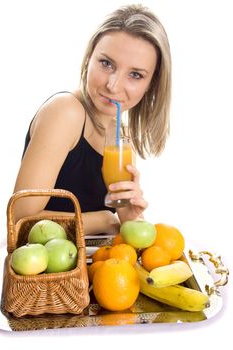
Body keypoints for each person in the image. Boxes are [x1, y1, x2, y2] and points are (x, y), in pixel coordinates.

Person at [13, 4, 171, 235]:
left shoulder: (120, 137)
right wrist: (106, 219)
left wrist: (128, 214)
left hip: (92, 270)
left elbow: (122, 236)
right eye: (106, 64)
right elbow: (20, 222)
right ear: (89, 58)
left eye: (135, 75)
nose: (113, 85)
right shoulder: (65, 112)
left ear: (151, 86)